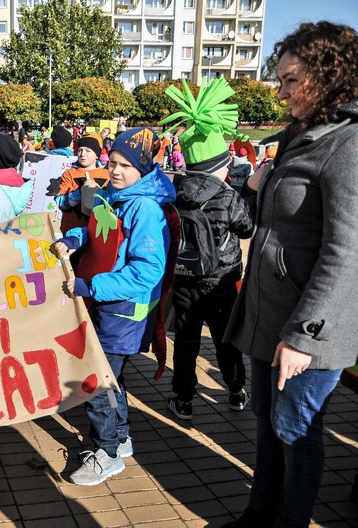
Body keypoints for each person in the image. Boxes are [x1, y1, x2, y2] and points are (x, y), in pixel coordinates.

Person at [223, 21, 358, 528]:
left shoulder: (347, 144)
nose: (280, 93)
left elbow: (347, 252)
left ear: (330, 75)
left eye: (290, 80)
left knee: (296, 428)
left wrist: (305, 335)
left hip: (307, 325)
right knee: (266, 422)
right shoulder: (297, 136)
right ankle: (259, 514)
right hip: (267, 314)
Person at [53, 127, 175, 486]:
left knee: (97, 380)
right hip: (105, 305)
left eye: (125, 165)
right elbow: (99, 231)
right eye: (113, 163)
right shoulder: (116, 196)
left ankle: (105, 453)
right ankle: (119, 441)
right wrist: (75, 238)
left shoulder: (144, 208)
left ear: (143, 169)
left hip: (122, 311)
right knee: (112, 377)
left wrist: (95, 285)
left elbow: (147, 270)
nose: (116, 171)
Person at [157, 78, 254, 421]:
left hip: (184, 279)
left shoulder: (174, 192)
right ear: (219, 165)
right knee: (224, 340)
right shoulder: (228, 196)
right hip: (221, 281)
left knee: (185, 342)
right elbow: (247, 228)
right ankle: (236, 391)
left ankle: (183, 399)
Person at [55, 134, 107, 235]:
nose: (83, 154)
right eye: (80, 150)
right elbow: (60, 202)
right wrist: (80, 193)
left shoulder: (107, 174)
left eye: (88, 151)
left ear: (96, 155)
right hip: (70, 230)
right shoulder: (69, 174)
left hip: (97, 232)